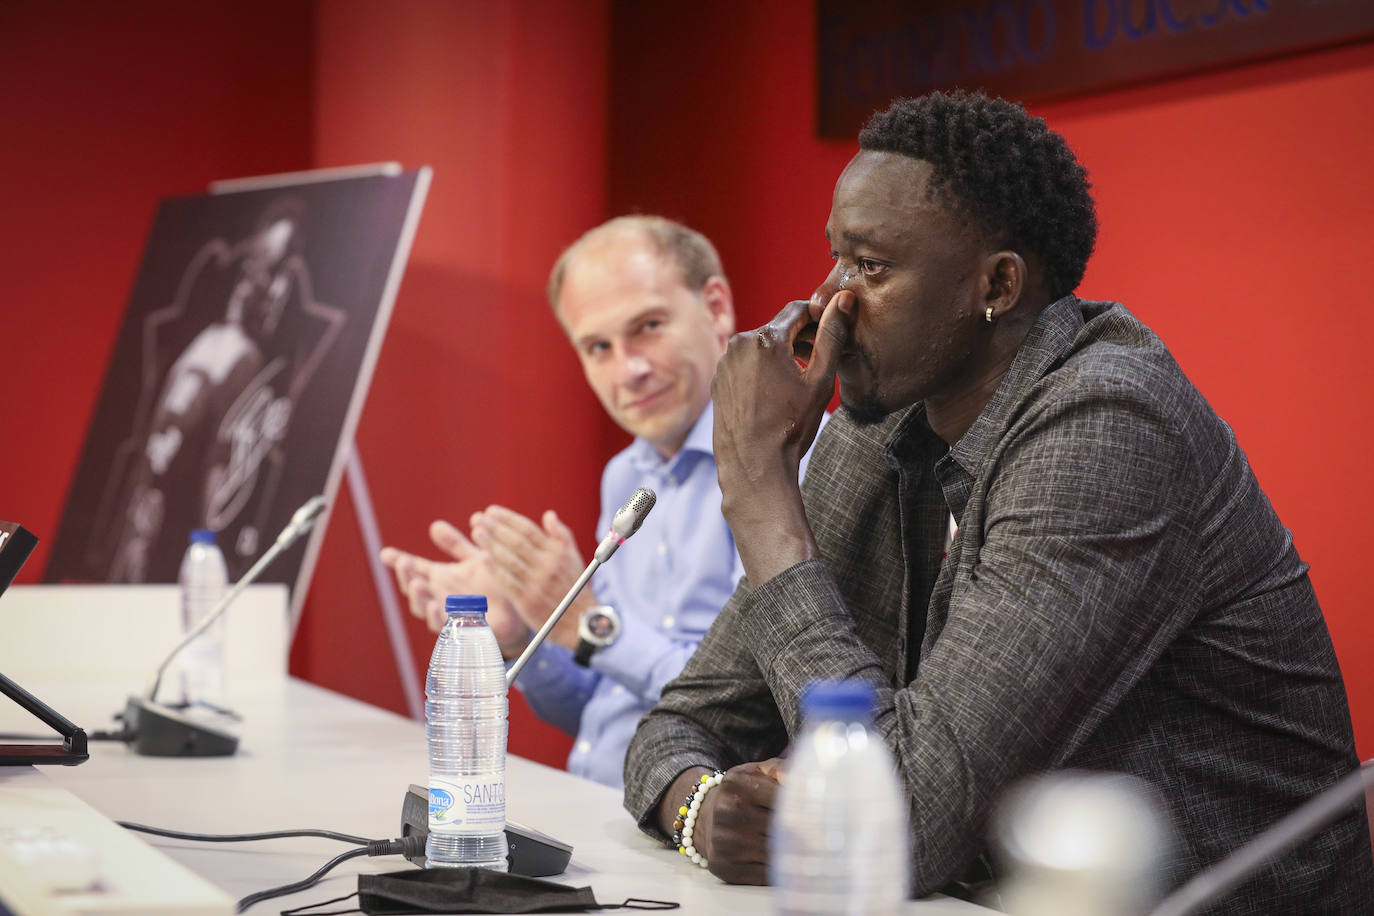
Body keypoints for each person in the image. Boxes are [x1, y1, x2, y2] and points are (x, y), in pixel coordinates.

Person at [622, 91, 1374, 910]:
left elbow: (901, 825)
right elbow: (679, 726)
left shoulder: (1110, 429)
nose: (827, 304)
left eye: (871, 267)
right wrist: (698, 806)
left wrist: (758, 490)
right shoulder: (881, 419)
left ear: (998, 285)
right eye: (835, 258)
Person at [382, 216, 818, 789]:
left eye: (649, 326)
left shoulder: (795, 464)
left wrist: (589, 624)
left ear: (715, 308)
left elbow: (752, 707)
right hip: (598, 802)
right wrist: (524, 633)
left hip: (702, 824)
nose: (629, 370)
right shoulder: (626, 476)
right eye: (598, 347)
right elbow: (600, 707)